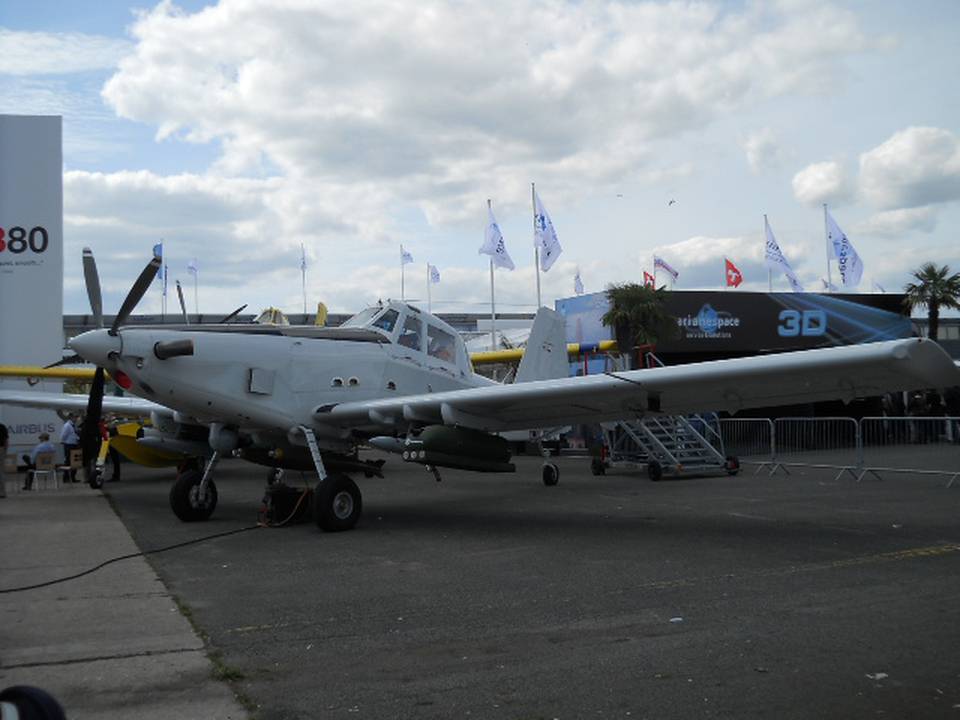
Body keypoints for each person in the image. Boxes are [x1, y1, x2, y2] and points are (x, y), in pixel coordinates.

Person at [59, 414, 81, 482]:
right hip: (69, 445)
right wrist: (62, 441)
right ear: (71, 417)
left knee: (75, 461)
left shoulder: (73, 425)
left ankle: (73, 477)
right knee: (68, 461)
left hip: (74, 444)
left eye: (76, 417)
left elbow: (74, 434)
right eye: (75, 417)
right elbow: (63, 435)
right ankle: (66, 478)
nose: (76, 419)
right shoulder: (67, 425)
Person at [0, 422, 8, 498]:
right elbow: (6, 441)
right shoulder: (2, 426)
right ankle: (2, 493)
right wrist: (5, 451)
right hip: (1, 449)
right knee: (1, 472)